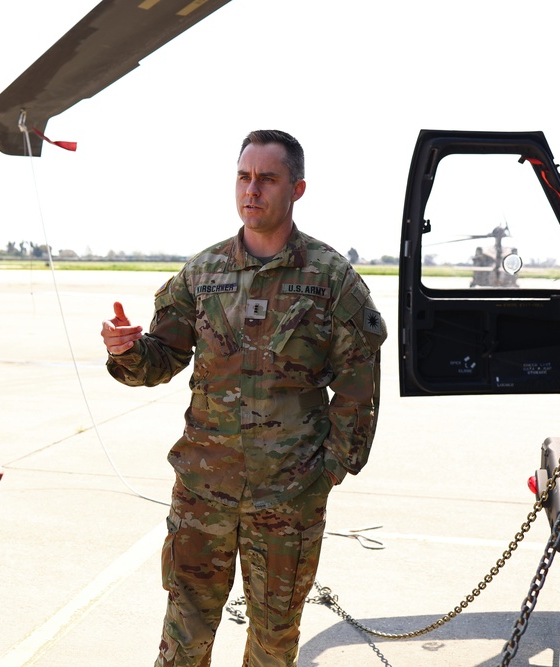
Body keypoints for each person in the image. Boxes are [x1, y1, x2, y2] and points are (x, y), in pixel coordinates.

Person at [100, 130, 387, 666]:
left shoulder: (330, 280)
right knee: (184, 631)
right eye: (243, 177)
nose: (251, 190)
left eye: (267, 178)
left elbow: (358, 383)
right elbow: (161, 359)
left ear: (297, 189)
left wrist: (327, 470)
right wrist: (127, 350)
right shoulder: (203, 274)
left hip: (288, 499)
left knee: (275, 639)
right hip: (202, 494)